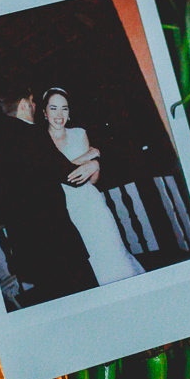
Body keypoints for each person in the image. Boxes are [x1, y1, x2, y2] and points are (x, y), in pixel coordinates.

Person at [0, 87, 99, 305]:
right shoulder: (32, 133)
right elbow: (70, 176)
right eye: (31, 101)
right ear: (22, 105)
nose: (34, 106)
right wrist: (93, 159)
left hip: (28, 248)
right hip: (57, 243)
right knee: (87, 298)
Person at [42, 88, 146, 285]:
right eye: (53, 108)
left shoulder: (80, 134)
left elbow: (93, 180)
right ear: (45, 112)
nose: (59, 114)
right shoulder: (41, 142)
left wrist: (95, 165)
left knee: (114, 252)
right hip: (69, 211)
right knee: (93, 261)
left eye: (64, 108)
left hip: (93, 203)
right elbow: (57, 177)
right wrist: (89, 158)